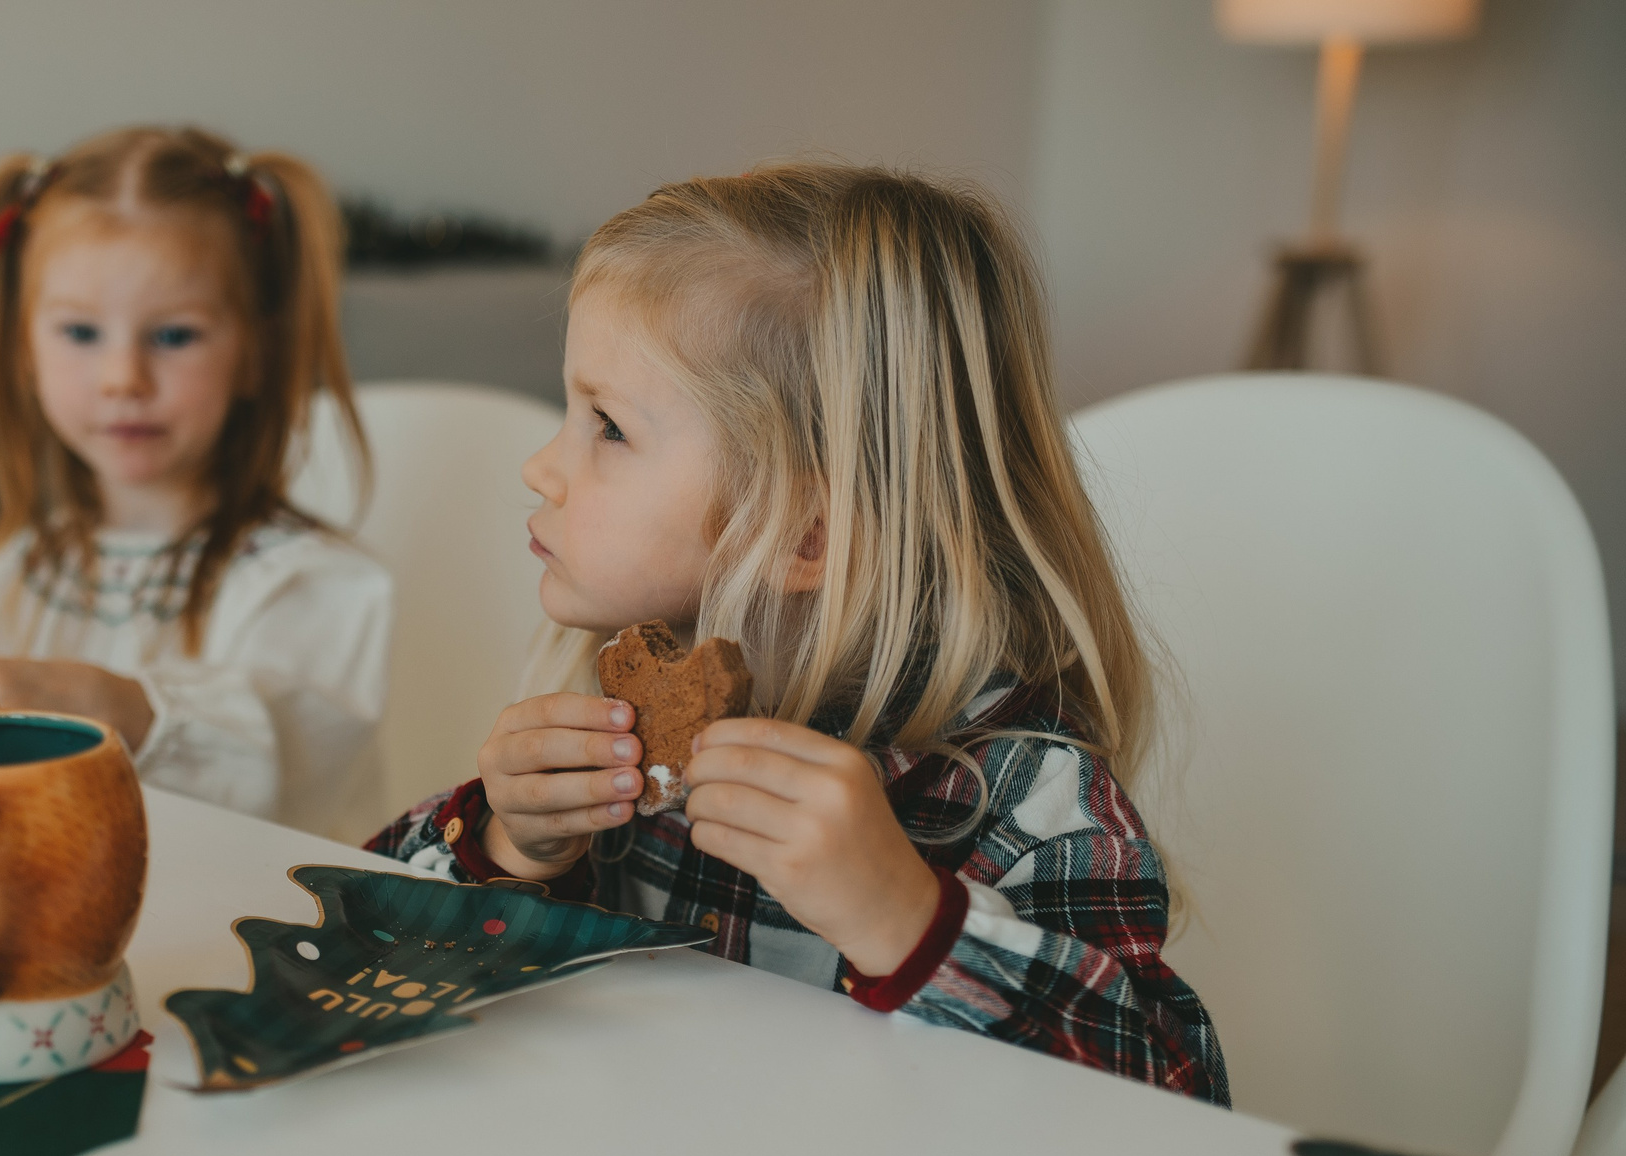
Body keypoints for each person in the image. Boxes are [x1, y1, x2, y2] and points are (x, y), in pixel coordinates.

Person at [367, 165, 1228, 1103]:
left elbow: (1176, 1098)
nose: (541, 465)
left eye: (606, 426)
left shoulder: (1027, 800)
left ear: (806, 532)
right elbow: (363, 932)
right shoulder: (617, 716)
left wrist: (907, 919)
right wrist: (505, 846)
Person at [0, 125, 390, 838]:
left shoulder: (315, 589)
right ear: (24, 351)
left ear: (255, 353)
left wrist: (101, 698)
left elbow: (285, 769)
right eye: (81, 334)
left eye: (174, 335)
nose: (123, 378)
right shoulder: (20, 573)